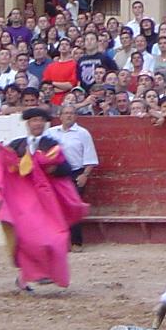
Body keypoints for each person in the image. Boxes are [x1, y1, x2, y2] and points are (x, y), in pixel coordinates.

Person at [0, 106, 88, 292]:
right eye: (33, 120)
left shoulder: (51, 144)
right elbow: (2, 162)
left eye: (40, 120)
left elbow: (66, 169)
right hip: (23, 202)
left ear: (45, 123)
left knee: (52, 237)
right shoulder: (17, 144)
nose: (37, 123)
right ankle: (27, 276)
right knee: (26, 239)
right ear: (28, 124)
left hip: (46, 202)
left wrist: (51, 168)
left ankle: (42, 273)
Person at [47, 103, 98, 251]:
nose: (69, 115)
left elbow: (90, 157)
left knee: (73, 208)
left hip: (76, 174)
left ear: (75, 116)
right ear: (60, 116)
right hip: (55, 174)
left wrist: (85, 175)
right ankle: (60, 242)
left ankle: (76, 242)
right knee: (55, 208)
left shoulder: (83, 133)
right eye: (66, 113)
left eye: (71, 113)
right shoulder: (51, 133)